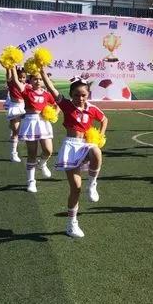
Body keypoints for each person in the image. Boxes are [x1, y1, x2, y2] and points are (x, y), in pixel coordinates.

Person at [42, 73, 108, 238]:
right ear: (71, 95)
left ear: (88, 95)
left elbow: (105, 119)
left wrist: (100, 135)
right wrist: (43, 73)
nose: (80, 98)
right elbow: (52, 90)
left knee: (96, 151)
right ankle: (71, 224)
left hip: (86, 144)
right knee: (76, 189)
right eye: (76, 95)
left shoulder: (92, 108)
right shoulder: (66, 105)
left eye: (83, 95)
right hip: (71, 147)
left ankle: (92, 184)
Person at [10, 68, 56, 193]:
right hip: (30, 122)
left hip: (43, 123)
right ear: (30, 80)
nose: (38, 81)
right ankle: (31, 181)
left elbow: (56, 104)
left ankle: (42, 164)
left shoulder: (47, 94)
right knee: (32, 153)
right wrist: (13, 66)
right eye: (35, 79)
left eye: (40, 79)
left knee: (48, 150)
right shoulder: (26, 91)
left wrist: (53, 115)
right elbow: (15, 80)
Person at [4, 66, 27, 162]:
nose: (22, 79)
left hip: (25, 107)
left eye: (24, 77)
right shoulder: (11, 82)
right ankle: (14, 153)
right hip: (15, 107)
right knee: (16, 131)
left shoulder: (27, 85)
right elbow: (9, 75)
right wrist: (9, 67)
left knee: (21, 129)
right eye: (19, 77)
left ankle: (11, 125)